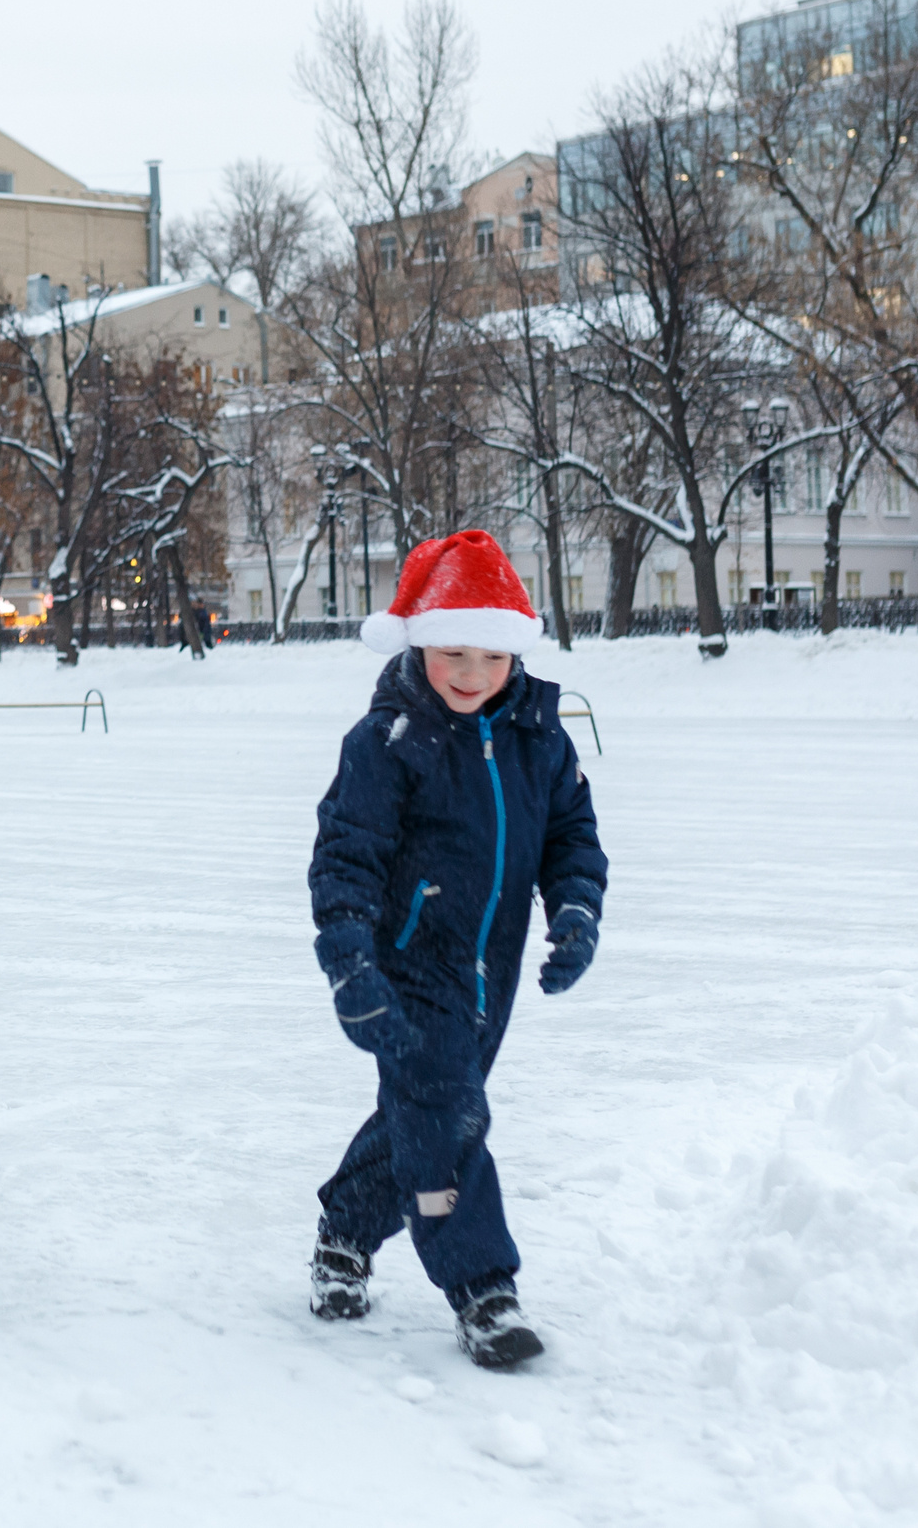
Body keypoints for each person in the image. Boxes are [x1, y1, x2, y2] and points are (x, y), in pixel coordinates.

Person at [305, 530, 608, 1370]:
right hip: (408, 968)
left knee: (423, 1110)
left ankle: (344, 1233)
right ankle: (482, 1286)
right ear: (421, 644)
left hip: (492, 972)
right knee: (447, 1112)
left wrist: (576, 912)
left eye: (489, 655)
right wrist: (352, 965)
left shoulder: (540, 739)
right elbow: (345, 860)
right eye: (452, 652)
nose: (471, 673)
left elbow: (572, 839)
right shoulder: (388, 742)